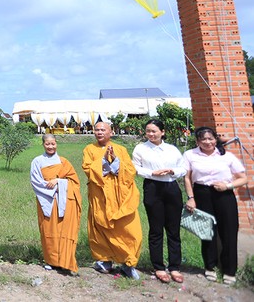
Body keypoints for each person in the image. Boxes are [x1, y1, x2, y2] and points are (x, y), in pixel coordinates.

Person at [183, 126, 247, 285]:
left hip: (224, 194)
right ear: (197, 141)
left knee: (229, 232)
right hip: (201, 193)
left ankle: (229, 271)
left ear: (215, 139)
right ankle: (210, 267)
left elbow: (243, 178)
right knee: (207, 232)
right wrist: (191, 197)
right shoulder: (190, 155)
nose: (207, 142)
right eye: (203, 139)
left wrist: (228, 186)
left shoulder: (227, 156)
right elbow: (187, 178)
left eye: (210, 139)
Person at [82, 121, 142, 279]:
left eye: (103, 129)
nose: (99, 132)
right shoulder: (89, 149)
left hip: (119, 196)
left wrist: (116, 161)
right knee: (100, 226)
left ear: (111, 132)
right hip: (99, 195)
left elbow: (130, 171)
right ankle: (104, 260)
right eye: (97, 129)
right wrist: (104, 162)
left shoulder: (121, 149)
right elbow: (88, 169)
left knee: (128, 229)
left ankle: (128, 263)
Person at [131, 119, 186, 284]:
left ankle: (174, 266)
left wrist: (172, 171)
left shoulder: (171, 149)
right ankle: (159, 266)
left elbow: (183, 167)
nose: (151, 134)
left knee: (173, 230)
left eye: (154, 131)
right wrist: (152, 173)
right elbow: (135, 167)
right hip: (153, 188)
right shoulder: (141, 148)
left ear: (163, 132)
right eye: (148, 131)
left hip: (172, 188)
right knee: (156, 229)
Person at [29, 134, 82, 275]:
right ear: (43, 144)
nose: (51, 147)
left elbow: (75, 182)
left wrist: (58, 182)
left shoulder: (64, 162)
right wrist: (51, 188)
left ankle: (65, 261)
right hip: (46, 200)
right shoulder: (37, 161)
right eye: (47, 144)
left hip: (64, 201)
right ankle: (51, 261)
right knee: (48, 230)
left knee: (63, 231)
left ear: (56, 143)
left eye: (53, 144)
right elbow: (36, 182)